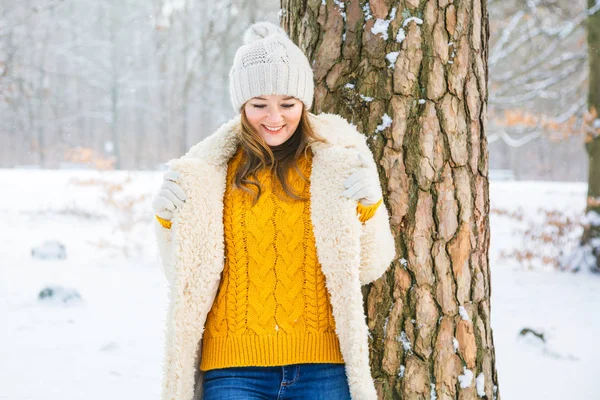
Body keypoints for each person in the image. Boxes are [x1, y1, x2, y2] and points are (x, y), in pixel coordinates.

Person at [151, 21, 396, 400]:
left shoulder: (335, 163)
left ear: (304, 103)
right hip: (233, 368)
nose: (274, 117)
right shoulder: (210, 170)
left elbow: (369, 266)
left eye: (287, 104)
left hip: (322, 366)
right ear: (241, 106)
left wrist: (369, 208)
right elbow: (183, 277)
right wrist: (167, 221)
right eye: (259, 105)